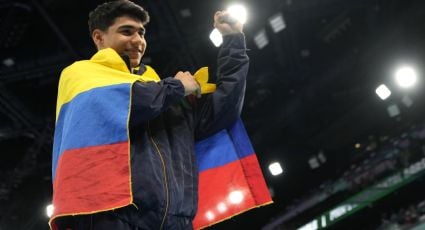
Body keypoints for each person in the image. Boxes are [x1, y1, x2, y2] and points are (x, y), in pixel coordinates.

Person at [50, 0, 249, 229]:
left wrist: (234, 43)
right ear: (99, 37)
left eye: (141, 33)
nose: (138, 41)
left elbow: (222, 112)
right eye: (126, 31)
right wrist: (177, 87)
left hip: (177, 222)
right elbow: (130, 102)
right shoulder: (80, 75)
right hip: (113, 218)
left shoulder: (161, 92)